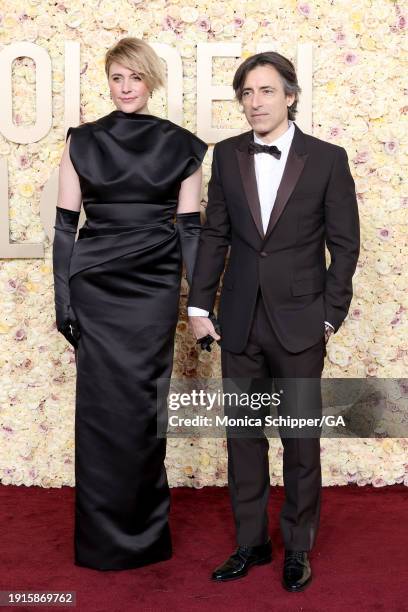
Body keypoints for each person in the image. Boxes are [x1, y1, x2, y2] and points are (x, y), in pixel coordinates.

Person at [188, 51, 359, 591]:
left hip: (302, 323)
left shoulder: (328, 159)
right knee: (243, 438)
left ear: (289, 96)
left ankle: (298, 546)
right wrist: (198, 307)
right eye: (246, 93)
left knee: (301, 440)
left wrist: (329, 317)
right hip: (237, 321)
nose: (255, 102)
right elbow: (215, 235)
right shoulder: (227, 156)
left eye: (265, 91)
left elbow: (345, 245)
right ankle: (251, 543)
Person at [52, 37, 207, 570]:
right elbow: (64, 228)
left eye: (135, 78)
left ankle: (143, 534)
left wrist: (199, 303)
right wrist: (63, 300)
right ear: (108, 80)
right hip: (96, 285)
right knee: (99, 409)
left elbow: (191, 231)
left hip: (153, 286)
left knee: (144, 405)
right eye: (117, 77)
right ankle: (101, 539)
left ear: (151, 81)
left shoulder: (185, 145)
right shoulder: (80, 141)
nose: (125, 88)